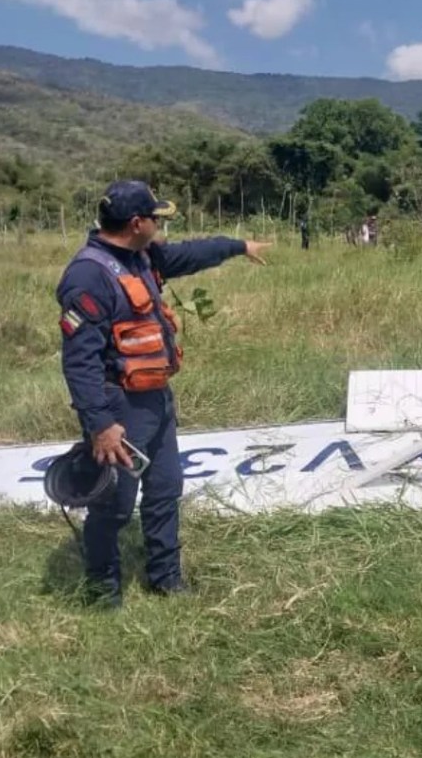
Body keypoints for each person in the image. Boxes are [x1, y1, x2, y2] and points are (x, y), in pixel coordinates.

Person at [55, 180, 271, 607]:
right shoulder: (88, 276)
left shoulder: (142, 256)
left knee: (165, 489)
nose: (160, 226)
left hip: (156, 399)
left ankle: (165, 578)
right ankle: (103, 589)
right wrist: (101, 425)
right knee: (114, 504)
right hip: (119, 407)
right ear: (136, 223)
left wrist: (239, 246)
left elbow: (190, 254)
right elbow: (79, 362)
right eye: (156, 218)